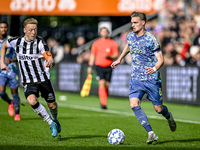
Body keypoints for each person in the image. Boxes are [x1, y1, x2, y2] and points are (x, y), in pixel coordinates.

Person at [111, 11, 176, 144]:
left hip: (151, 79)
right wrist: (119, 59)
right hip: (136, 78)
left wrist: (154, 69)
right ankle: (151, 133)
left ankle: (168, 116)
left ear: (143, 22)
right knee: (133, 104)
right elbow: (129, 46)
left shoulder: (150, 39)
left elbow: (161, 60)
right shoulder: (129, 36)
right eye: (132, 22)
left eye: (135, 22)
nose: (133, 25)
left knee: (158, 109)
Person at [0, 18, 61, 138]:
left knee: (52, 105)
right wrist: (1, 62)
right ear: (25, 30)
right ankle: (50, 123)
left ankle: (55, 119)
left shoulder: (40, 43)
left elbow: (49, 57)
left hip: (43, 79)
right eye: (31, 30)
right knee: (32, 101)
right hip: (28, 81)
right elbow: (4, 46)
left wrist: (50, 62)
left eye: (35, 29)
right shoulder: (16, 41)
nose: (33, 32)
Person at [88, 25, 119, 109]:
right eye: (102, 31)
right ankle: (103, 104)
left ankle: (104, 99)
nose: (104, 33)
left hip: (109, 66)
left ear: (108, 33)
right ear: (100, 33)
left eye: (105, 31)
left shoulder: (112, 43)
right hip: (99, 66)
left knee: (107, 85)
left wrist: (109, 56)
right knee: (101, 83)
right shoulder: (96, 43)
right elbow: (92, 55)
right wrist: (90, 66)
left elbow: (116, 54)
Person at [0, 21, 21, 121]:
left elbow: (19, 56)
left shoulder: (11, 40)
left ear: (7, 29)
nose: (3, 29)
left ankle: (17, 114)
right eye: (1, 27)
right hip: (1, 71)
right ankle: (10, 102)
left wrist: (12, 60)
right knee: (1, 92)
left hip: (12, 70)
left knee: (14, 92)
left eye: (5, 28)